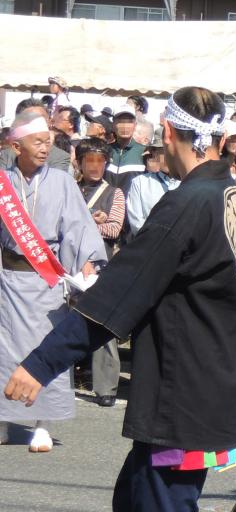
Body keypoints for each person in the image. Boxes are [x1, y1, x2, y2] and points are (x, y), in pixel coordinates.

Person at [4, 85, 236, 512]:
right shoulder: (232, 195)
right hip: (214, 375)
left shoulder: (186, 204)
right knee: (133, 502)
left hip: (185, 389)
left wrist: (41, 365)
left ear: (167, 133)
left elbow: (118, 295)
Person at [0, 108, 104, 452]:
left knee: (48, 349)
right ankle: (2, 418)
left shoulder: (61, 181)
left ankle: (43, 423)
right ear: (17, 147)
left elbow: (78, 226)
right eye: (38, 141)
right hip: (6, 280)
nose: (46, 147)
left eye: (49, 141)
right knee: (3, 352)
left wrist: (87, 262)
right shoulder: (3, 182)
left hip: (46, 281)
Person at [77, 139, 126, 408]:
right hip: (68, 265)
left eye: (100, 161)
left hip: (100, 265)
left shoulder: (114, 193)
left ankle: (106, 386)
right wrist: (91, 221)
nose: (95, 166)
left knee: (101, 324)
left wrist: (85, 223)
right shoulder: (70, 189)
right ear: (80, 163)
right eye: (89, 161)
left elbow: (114, 229)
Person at [125, 145, 179, 236]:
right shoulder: (140, 183)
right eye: (164, 152)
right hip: (149, 244)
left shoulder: (190, 182)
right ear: (155, 154)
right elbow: (136, 223)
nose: (168, 158)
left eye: (173, 152)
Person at [108, 108, 146, 191]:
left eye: (129, 122)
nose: (125, 126)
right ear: (113, 125)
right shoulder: (105, 150)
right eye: (120, 122)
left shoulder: (144, 152)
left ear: (135, 125)